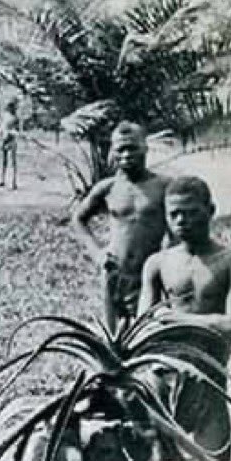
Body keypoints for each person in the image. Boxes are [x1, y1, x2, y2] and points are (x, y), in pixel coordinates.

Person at [138, 176, 231, 459]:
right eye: (174, 214)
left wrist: (173, 319)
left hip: (209, 380)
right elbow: (143, 326)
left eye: (191, 212)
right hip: (164, 375)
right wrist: (205, 322)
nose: (182, 220)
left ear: (210, 210)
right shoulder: (158, 263)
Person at [71, 121, 171, 331]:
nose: (126, 155)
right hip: (115, 272)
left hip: (149, 273)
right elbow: (78, 219)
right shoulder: (108, 188)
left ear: (145, 147)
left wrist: (168, 261)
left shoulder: (164, 186)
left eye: (132, 148)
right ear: (113, 151)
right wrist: (97, 253)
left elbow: (178, 229)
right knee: (114, 336)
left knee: (148, 332)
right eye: (120, 149)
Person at [0, 98, 21, 189]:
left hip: (11, 140)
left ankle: (12, 181)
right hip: (7, 139)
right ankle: (6, 180)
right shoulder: (9, 118)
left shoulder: (13, 118)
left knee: (11, 161)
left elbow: (16, 130)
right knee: (6, 161)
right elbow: (0, 129)